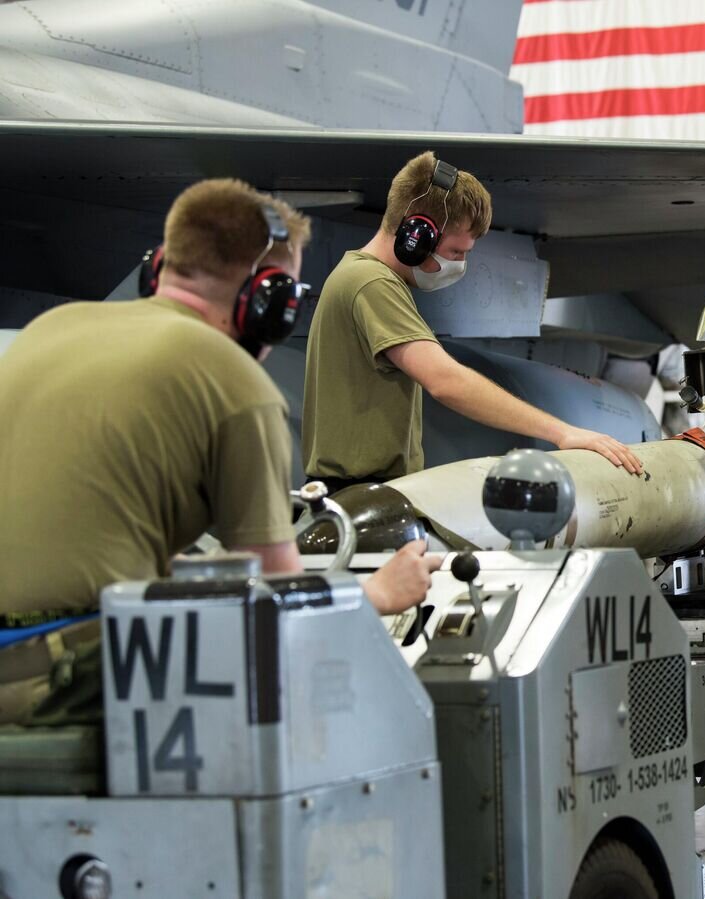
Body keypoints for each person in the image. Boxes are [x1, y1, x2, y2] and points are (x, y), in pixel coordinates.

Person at [0, 179, 440, 731]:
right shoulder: (233, 380)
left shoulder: (50, 329)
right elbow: (277, 600)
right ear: (269, 301)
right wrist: (376, 593)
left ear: (158, 267)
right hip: (65, 683)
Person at [301, 151, 641, 492]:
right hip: (358, 493)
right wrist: (563, 432)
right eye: (456, 252)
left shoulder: (361, 276)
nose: (460, 265)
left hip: (364, 491)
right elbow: (446, 382)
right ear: (415, 235)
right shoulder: (372, 283)